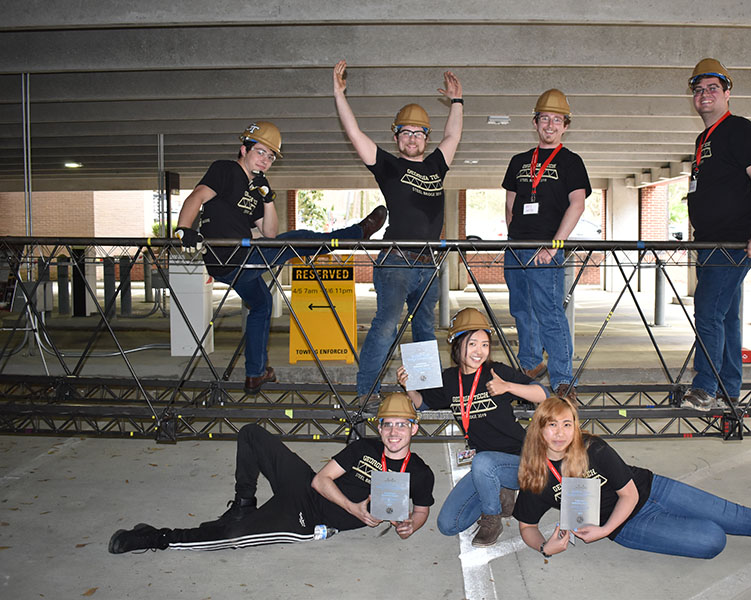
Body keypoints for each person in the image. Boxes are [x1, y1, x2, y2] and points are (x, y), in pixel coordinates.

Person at [514, 396, 751, 559]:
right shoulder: (536, 477)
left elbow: (627, 494)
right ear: (538, 431)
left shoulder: (593, 448)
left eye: (567, 424)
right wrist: (545, 546)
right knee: (712, 540)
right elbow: (527, 526)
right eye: (551, 426)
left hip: (650, 491)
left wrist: (603, 531)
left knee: (739, 516)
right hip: (629, 526)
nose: (561, 433)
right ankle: (687, 525)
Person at [174, 121, 387, 394]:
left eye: (271, 156)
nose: (265, 160)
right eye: (261, 152)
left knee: (261, 304)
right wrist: (183, 229)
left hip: (239, 264)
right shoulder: (225, 170)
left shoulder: (256, 189)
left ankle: (255, 374)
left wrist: (267, 197)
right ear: (244, 149)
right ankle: (356, 233)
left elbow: (269, 232)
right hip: (232, 256)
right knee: (297, 239)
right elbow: (197, 197)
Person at [108, 393, 435, 553]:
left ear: (414, 428)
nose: (394, 432)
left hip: (309, 519)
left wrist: (410, 526)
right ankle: (243, 504)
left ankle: (156, 537)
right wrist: (353, 508)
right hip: (308, 489)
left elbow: (420, 511)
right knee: (251, 434)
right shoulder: (364, 447)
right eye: (388, 424)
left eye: (401, 425)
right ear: (380, 427)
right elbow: (320, 480)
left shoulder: (419, 473)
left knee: (235, 537)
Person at [332, 60, 463, 403]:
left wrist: (457, 103)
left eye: (418, 133)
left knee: (423, 331)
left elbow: (453, 136)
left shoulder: (436, 165)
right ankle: (366, 393)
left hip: (428, 265)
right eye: (405, 133)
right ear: (396, 137)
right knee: (387, 325)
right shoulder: (389, 166)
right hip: (396, 262)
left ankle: (424, 395)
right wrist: (339, 95)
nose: (412, 138)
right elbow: (355, 135)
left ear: (425, 138)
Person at [398, 308, 549, 546]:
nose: (479, 351)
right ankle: (500, 493)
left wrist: (508, 386)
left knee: (483, 462)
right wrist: (409, 387)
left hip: (522, 460)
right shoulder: (449, 379)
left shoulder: (495, 372)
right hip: (486, 466)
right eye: (472, 344)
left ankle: (492, 518)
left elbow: (543, 394)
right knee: (448, 524)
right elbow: (424, 404)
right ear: (457, 346)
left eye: (485, 345)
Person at [681, 59, 751, 411]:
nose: (705, 95)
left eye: (712, 89)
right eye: (699, 90)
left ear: (727, 93)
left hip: (734, 242)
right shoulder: (703, 138)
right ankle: (729, 386)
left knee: (707, 312)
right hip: (708, 243)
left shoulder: (741, 130)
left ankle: (705, 386)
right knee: (726, 316)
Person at [502, 89, 590, 401]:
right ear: (535, 122)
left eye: (556, 120)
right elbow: (511, 202)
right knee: (521, 308)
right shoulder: (519, 161)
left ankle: (563, 378)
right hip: (517, 248)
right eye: (544, 119)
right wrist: (513, 238)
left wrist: (554, 245)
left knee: (550, 312)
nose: (550, 125)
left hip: (546, 249)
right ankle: (531, 363)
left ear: (565, 125)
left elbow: (576, 205)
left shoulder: (571, 162)